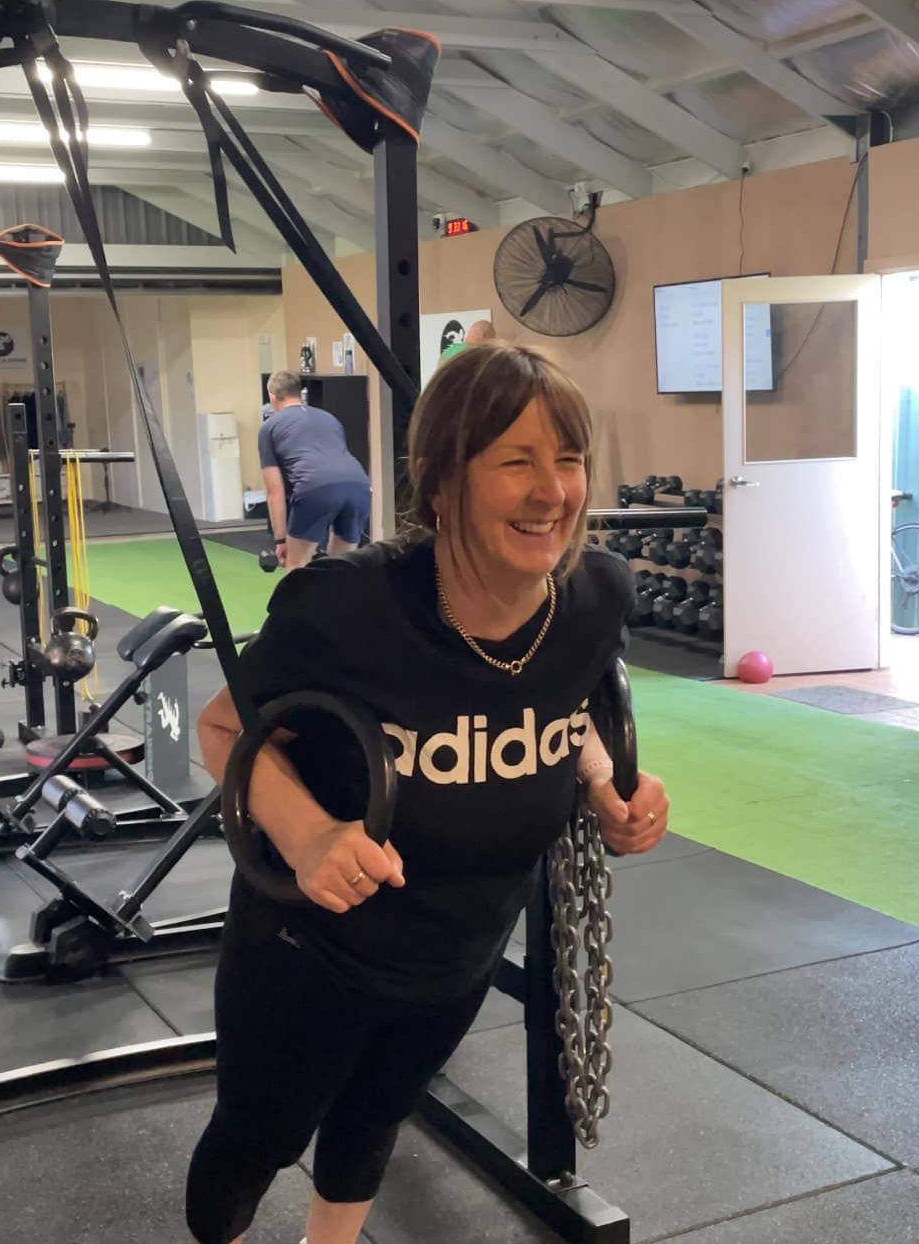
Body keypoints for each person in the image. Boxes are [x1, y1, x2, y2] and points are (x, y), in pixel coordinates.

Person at [189, 344, 671, 1244]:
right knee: (256, 1143)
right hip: (308, 956)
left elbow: (566, 710)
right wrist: (307, 836)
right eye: (515, 462)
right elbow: (225, 730)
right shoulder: (348, 609)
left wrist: (604, 784)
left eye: (566, 461)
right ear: (441, 481)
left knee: (375, 1118)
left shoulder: (595, 596)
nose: (551, 492)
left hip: (458, 948)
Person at [259, 371, 371, 571]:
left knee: (296, 566)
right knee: (341, 567)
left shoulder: (269, 427)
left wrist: (280, 540)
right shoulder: (329, 418)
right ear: (299, 393)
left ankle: (299, 602)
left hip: (315, 487)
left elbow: (274, 492)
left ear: (273, 398)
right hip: (359, 486)